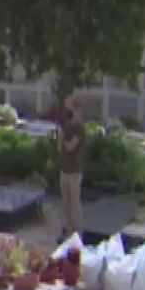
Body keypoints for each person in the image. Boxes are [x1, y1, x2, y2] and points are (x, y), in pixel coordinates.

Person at [59, 95, 86, 237]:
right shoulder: (68, 126)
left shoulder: (79, 128)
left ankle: (78, 233)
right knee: (66, 203)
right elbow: (60, 147)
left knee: (75, 203)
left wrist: (62, 136)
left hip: (74, 171)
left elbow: (70, 146)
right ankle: (68, 233)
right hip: (64, 169)